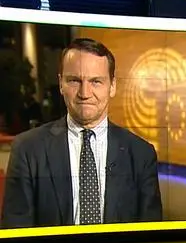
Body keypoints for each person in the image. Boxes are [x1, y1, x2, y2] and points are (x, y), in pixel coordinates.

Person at [1, 37, 163, 228]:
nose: (84, 93)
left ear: (112, 86)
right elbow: (16, 231)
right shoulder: (28, 149)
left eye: (96, 81)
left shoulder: (141, 154)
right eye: (74, 81)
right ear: (61, 84)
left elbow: (149, 235)